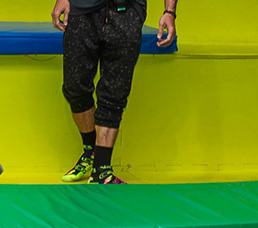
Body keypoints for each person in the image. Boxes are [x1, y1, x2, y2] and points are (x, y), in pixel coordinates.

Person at [51, 0, 178, 184]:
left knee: (114, 92)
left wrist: (170, 12)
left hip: (127, 12)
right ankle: (91, 151)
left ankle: (101, 171)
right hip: (82, 11)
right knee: (75, 86)